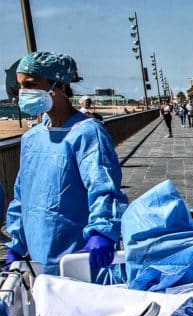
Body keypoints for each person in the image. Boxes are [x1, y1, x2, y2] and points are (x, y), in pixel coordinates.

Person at [4, 51, 128, 275]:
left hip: (79, 258)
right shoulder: (31, 138)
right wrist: (16, 244)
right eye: (21, 86)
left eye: (31, 85)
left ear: (59, 86)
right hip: (36, 259)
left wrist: (102, 232)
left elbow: (104, 189)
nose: (23, 93)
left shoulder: (88, 133)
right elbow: (22, 196)